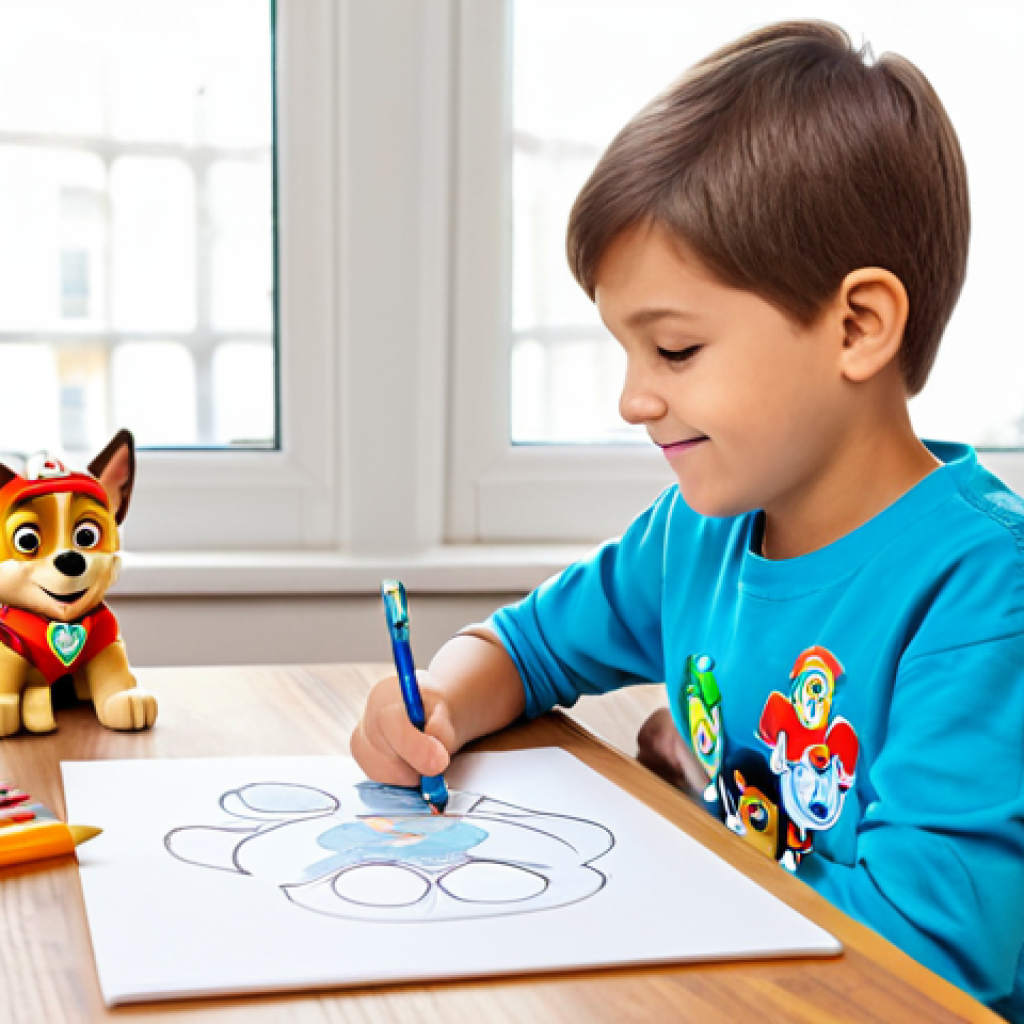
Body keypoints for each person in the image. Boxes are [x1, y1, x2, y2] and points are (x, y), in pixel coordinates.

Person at [351, 20, 1024, 1019]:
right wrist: (436, 701)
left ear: (857, 326)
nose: (631, 398)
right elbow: (523, 648)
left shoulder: (982, 589)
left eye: (671, 351)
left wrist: (664, 873)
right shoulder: (696, 533)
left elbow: (923, 954)